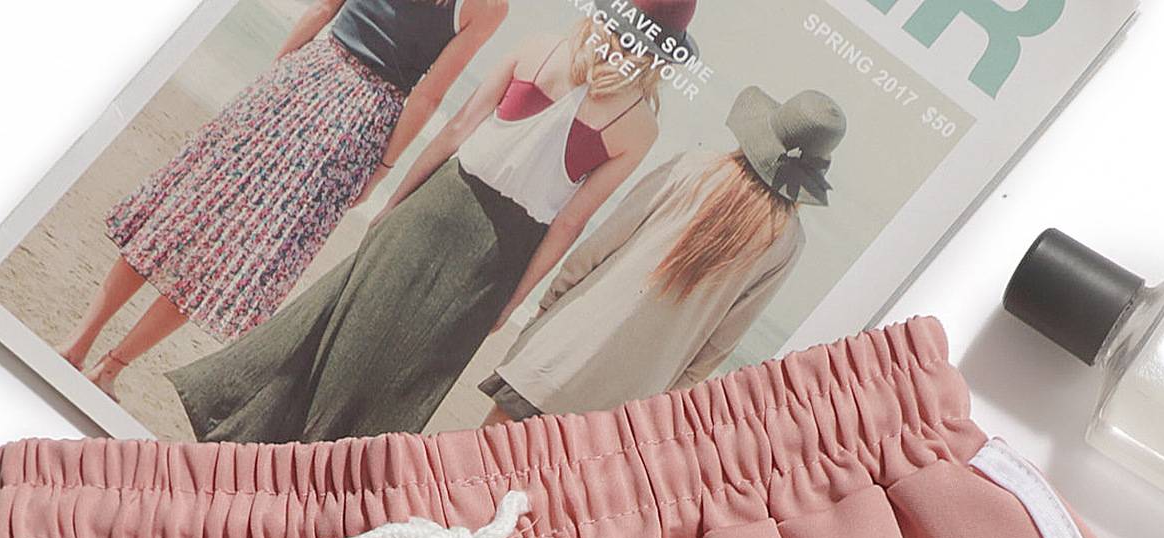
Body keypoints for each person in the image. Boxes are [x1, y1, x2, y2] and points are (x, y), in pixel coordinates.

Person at [171, 5, 698, 445]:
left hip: (439, 203)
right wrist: (514, 298)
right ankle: (323, 476)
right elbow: (570, 223)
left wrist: (395, 201)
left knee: (336, 319)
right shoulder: (640, 127)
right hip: (499, 258)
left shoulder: (538, 48)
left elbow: (457, 129)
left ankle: (241, 431)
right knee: (406, 378)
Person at [61, 0, 509, 397]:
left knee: (188, 207)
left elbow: (321, 10)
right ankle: (110, 368)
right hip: (358, 124)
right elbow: (428, 96)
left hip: (309, 72)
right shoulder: (488, 7)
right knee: (235, 256)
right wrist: (383, 169)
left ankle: (79, 343)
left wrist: (275, 74)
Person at [481, 86, 845, 423]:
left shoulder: (694, 168)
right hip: (624, 406)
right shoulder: (786, 241)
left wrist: (548, 305)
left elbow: (601, 245)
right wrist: (664, 396)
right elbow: (720, 342)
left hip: (563, 351)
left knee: (473, 463)